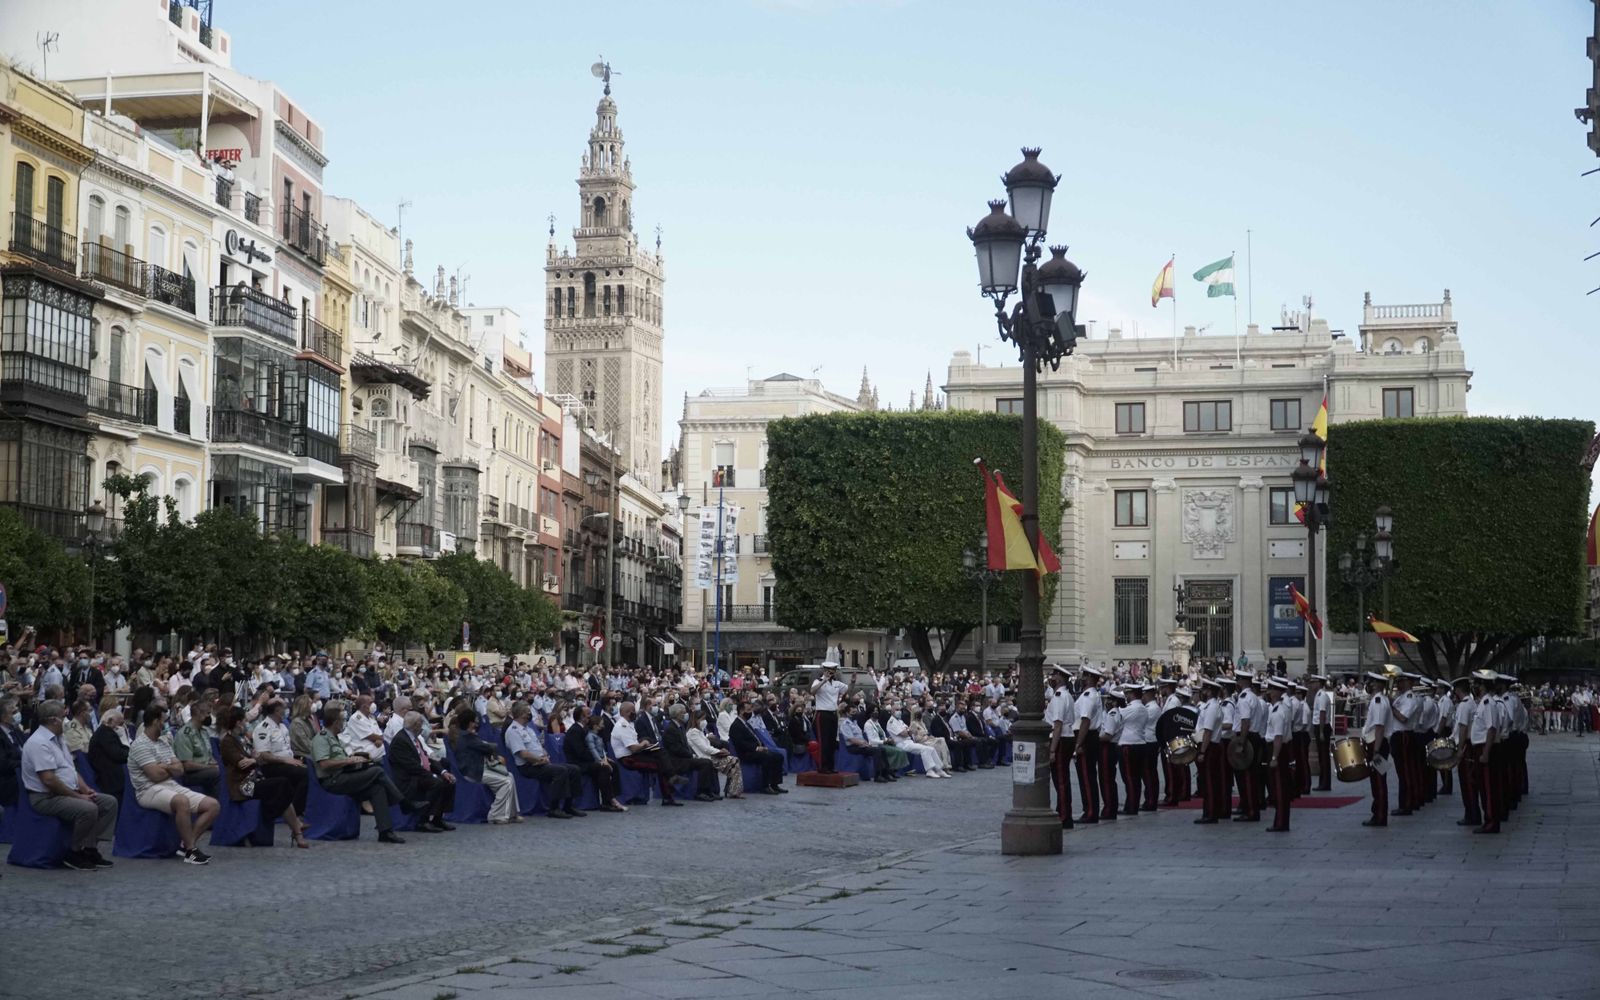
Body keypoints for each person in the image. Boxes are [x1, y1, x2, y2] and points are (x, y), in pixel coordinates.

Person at [21, 700, 119, 870]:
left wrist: (85, 789)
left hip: (65, 792)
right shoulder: (39, 743)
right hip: (46, 797)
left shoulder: (59, 739)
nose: (66, 721)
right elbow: (49, 780)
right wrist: (78, 796)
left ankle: (89, 848)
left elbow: (71, 770)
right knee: (88, 808)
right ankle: (72, 852)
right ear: (53, 720)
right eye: (63, 716)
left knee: (109, 803)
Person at [128, 704, 219, 864]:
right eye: (164, 720)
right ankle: (191, 851)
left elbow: (180, 769)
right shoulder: (140, 744)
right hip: (147, 790)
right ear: (156, 721)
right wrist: (170, 768)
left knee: (213, 805)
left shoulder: (163, 743)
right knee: (181, 801)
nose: (167, 725)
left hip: (169, 785)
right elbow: (155, 776)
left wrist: (164, 767)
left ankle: (185, 845)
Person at [312, 704, 406, 844]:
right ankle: (404, 802)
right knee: (378, 770)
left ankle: (385, 832)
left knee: (377, 789)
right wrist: (347, 761)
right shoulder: (322, 738)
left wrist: (356, 759)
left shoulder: (336, 737)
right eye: (342, 721)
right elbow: (324, 764)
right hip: (333, 781)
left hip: (344, 776)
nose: (343, 724)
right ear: (335, 722)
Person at [219, 705, 309, 848]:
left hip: (253, 779)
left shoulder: (242, 740)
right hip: (241, 786)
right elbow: (243, 763)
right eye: (244, 721)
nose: (246, 723)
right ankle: (295, 828)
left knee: (283, 786)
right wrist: (255, 760)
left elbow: (256, 758)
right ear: (238, 722)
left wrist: (254, 759)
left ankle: (296, 830)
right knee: (281, 785)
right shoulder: (228, 742)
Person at [505, 702, 585, 817]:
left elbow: (539, 747)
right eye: (528, 712)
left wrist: (545, 756)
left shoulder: (528, 729)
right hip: (528, 766)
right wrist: (540, 760)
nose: (530, 714)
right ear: (522, 714)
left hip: (540, 762)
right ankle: (554, 808)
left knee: (574, 769)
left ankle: (569, 806)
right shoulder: (513, 731)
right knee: (560, 771)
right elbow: (523, 754)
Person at [388, 711, 457, 831]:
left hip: (419, 773)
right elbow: (412, 767)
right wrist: (432, 775)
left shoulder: (414, 737)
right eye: (421, 723)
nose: (423, 727)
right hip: (408, 778)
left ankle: (437, 818)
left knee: (448, 780)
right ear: (415, 725)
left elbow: (426, 758)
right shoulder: (400, 741)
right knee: (436, 783)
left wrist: (443, 772)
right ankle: (423, 821)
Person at [452, 708, 519, 823]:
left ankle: (511, 813)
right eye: (475, 720)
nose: (477, 722)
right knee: (506, 782)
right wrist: (488, 745)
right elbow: (488, 747)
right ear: (470, 723)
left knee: (510, 776)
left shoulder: (465, 735)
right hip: (473, 772)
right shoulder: (467, 737)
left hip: (478, 768)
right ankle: (496, 815)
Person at [611, 701, 684, 806]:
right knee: (661, 764)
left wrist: (646, 744)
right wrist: (644, 744)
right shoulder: (622, 726)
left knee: (660, 751)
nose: (635, 713)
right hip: (628, 759)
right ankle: (669, 792)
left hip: (636, 754)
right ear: (627, 712)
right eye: (633, 711)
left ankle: (671, 781)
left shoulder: (629, 724)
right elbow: (633, 748)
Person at [562, 705, 627, 812]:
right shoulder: (575, 730)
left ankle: (614, 796)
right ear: (582, 717)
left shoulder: (585, 729)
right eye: (588, 715)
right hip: (578, 763)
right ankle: (607, 801)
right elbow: (580, 752)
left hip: (587, 760)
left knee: (613, 765)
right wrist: (599, 760)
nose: (590, 717)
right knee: (604, 768)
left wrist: (603, 758)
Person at [660, 704, 721, 802]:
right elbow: (676, 749)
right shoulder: (670, 729)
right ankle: (701, 792)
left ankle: (710, 790)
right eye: (683, 712)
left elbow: (685, 745)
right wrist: (692, 755)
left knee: (708, 761)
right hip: (676, 761)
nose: (686, 714)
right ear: (677, 714)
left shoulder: (680, 727)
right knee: (705, 763)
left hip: (684, 757)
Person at [1465, 671, 1501, 834]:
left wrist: (1485, 753)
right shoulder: (1483, 702)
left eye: (1477, 684)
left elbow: (1491, 728)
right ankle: (1488, 819)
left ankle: (1491, 821)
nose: (1475, 687)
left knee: (1488, 787)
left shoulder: (1488, 703)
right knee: (1483, 786)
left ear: (1483, 686)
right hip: (1479, 747)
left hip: (1485, 748)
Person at [730, 700, 788, 795]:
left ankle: (775, 784)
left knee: (778, 756)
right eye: (748, 710)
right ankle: (765, 786)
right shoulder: (736, 725)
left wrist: (762, 746)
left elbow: (755, 737)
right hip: (746, 753)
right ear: (741, 711)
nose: (750, 712)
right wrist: (756, 748)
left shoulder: (747, 724)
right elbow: (740, 743)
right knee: (767, 758)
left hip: (755, 750)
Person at [686, 705, 744, 798]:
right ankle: (733, 790)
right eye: (702, 719)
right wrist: (719, 752)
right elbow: (705, 748)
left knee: (734, 761)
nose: (704, 721)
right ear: (696, 720)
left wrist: (720, 751)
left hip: (710, 755)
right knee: (733, 761)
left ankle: (733, 789)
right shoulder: (693, 732)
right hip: (705, 757)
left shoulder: (699, 731)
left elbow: (707, 746)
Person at [1071, 666, 1105, 824]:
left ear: (1090, 678)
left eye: (1084, 676)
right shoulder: (1094, 695)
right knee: (1088, 775)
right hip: (1090, 736)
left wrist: (1078, 743)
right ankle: (1091, 810)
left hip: (1085, 736)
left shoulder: (1088, 696)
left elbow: (1085, 720)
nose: (1082, 678)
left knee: (1086, 776)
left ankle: (1090, 812)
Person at [1360, 672, 1393, 828]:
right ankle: (1377, 813)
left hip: (1377, 744)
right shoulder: (1378, 700)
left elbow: (1379, 727)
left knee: (1379, 781)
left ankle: (1380, 816)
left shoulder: (1379, 701)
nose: (1370, 684)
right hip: (1375, 743)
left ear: (1378, 685)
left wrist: (1376, 750)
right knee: (1376, 780)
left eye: (1372, 682)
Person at [1044, 666, 1075, 827]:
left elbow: (1057, 725)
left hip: (1061, 739)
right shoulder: (1067, 695)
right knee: (1062, 779)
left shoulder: (1059, 696)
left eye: (1054, 675)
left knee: (1061, 781)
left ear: (1060, 678)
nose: (1051, 678)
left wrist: (1052, 750)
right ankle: (1063, 811)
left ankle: (1064, 816)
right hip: (1066, 738)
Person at [172, 700, 221, 798]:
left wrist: (212, 763)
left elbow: (209, 755)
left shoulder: (203, 732)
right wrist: (209, 767)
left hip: (204, 769)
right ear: (199, 714)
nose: (209, 717)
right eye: (208, 713)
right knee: (214, 772)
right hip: (190, 774)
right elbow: (187, 765)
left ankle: (214, 805)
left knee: (219, 769)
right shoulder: (185, 734)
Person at [1193, 680, 1225, 824]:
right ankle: (1210, 811)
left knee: (1210, 783)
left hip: (1210, 746)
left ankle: (1211, 813)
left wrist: (1203, 751)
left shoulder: (1212, 707)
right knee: (1208, 782)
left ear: (1210, 691)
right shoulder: (1209, 706)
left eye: (1204, 689)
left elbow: (1208, 731)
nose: (1202, 692)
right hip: (1208, 745)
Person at [1263, 679, 1293, 832]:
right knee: (1279, 786)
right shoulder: (1281, 708)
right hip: (1280, 749)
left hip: (1277, 751)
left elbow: (1278, 737)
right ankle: (1280, 821)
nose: (1268, 692)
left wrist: (1274, 757)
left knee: (1280, 788)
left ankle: (1281, 822)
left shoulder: (1278, 711)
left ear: (1276, 692)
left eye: (1270, 690)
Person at [811, 664, 847, 773]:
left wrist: (853, 682)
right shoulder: (818, 681)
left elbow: (846, 691)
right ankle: (823, 766)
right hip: (822, 713)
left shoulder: (836, 683)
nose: (831, 673)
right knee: (824, 741)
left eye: (833, 671)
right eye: (829, 670)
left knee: (832, 741)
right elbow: (812, 691)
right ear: (825, 671)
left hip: (833, 713)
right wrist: (824, 681)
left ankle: (830, 766)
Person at [87, 708, 130, 799]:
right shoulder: (105, 733)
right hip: (109, 781)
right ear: (111, 721)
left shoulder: (104, 732)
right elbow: (121, 755)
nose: (121, 727)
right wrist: (124, 739)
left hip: (109, 777)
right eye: (120, 724)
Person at [1309, 674, 1334, 792]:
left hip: (1322, 726)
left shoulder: (1322, 696)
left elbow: (1322, 714)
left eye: (1314, 682)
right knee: (1321, 757)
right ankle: (1323, 782)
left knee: (1324, 757)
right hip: (1320, 726)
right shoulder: (1318, 695)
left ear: (1319, 683)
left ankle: (1325, 783)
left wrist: (1321, 732)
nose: (1312, 684)